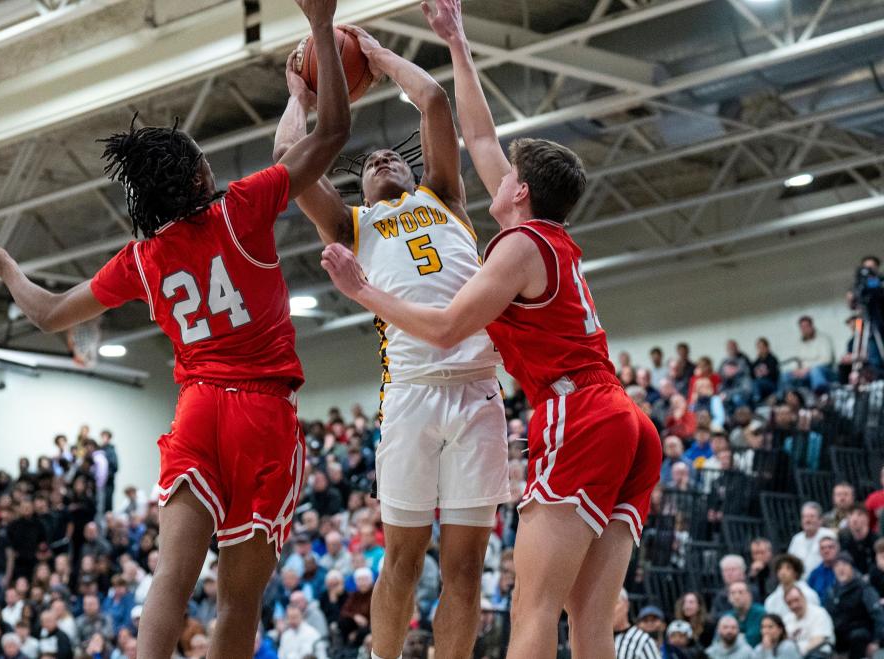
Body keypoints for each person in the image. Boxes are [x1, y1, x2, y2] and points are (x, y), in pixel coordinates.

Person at [0, 1, 351, 656]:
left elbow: (50, 311)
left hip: (197, 411)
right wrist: (320, 30)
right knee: (238, 597)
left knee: (170, 576)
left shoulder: (142, 258)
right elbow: (333, 133)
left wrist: (6, 267)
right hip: (260, 412)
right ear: (198, 174)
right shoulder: (239, 210)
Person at [321, 2, 662, 657]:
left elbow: (448, 326)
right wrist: (455, 43)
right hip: (627, 421)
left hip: (578, 411)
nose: (497, 172)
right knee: (589, 620)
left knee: (530, 608)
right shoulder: (545, 237)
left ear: (522, 192)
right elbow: (476, 136)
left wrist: (364, 291)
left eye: (510, 172)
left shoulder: (516, 245)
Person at [276, 21, 509, 659]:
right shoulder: (353, 225)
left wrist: (376, 56)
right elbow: (288, 164)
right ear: (361, 187)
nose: (382, 157)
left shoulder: (445, 196)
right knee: (401, 560)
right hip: (409, 394)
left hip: (478, 390)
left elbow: (434, 100)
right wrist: (300, 96)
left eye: (392, 155)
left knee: (465, 570)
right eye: (371, 161)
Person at [825, 552, 884, 659]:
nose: (840, 569)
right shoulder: (832, 591)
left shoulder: (864, 588)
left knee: (857, 635)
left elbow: (878, 614)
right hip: (839, 636)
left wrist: (876, 641)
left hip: (860, 636)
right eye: (837, 565)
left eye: (844, 564)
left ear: (851, 567)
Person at [782, 317, 835, 395]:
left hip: (824, 370)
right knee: (785, 375)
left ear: (812, 326)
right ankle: (790, 399)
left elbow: (827, 360)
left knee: (815, 370)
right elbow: (797, 360)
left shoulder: (823, 339)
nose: (804, 329)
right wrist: (797, 370)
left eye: (806, 326)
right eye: (802, 327)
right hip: (805, 372)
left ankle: (821, 395)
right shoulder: (800, 343)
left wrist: (808, 369)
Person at [781, 586, 834, 657]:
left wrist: (798, 654)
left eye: (796, 600)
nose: (794, 605)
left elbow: (819, 640)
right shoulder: (786, 619)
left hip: (817, 653)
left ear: (803, 598)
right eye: (789, 603)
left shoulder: (819, 613)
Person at [787, 502, 836, 577]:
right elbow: (789, 563)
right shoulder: (796, 539)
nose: (808, 520)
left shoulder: (829, 535)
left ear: (820, 520)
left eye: (812, 516)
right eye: (805, 517)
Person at [613, 590, 660, 659]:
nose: (609, 610)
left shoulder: (642, 641)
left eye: (615, 603)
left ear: (626, 604)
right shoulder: (596, 641)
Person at [838, 506, 879, 574]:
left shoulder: (877, 541)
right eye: (851, 515)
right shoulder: (845, 544)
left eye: (859, 514)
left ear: (867, 518)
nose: (854, 519)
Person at [725, 581, 766, 648]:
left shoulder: (760, 613)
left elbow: (753, 640)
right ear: (729, 598)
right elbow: (718, 641)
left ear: (749, 595)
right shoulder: (727, 616)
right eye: (732, 593)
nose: (736, 597)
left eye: (740, 592)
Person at [806, 536, 839, 606]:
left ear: (837, 549)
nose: (826, 551)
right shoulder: (814, 574)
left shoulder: (845, 570)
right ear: (819, 552)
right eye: (822, 548)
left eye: (830, 547)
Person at [751, 338, 780, 404]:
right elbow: (752, 374)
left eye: (762, 347)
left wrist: (763, 373)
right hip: (759, 384)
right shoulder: (756, 361)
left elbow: (774, 375)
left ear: (767, 347)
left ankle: (757, 399)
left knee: (757, 383)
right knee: (752, 383)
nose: (761, 349)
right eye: (759, 347)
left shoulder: (772, 359)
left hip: (771, 384)